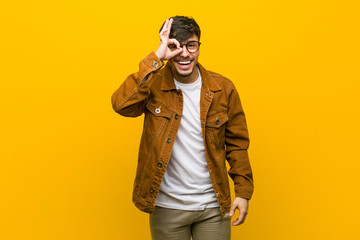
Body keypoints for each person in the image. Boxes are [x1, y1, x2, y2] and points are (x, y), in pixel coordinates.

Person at [111, 16, 254, 240]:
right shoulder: (153, 85)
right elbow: (121, 105)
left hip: (213, 207)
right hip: (167, 207)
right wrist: (156, 57)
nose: (185, 53)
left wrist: (243, 192)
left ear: (199, 46)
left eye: (191, 45)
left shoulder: (222, 88)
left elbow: (237, 144)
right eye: (175, 46)